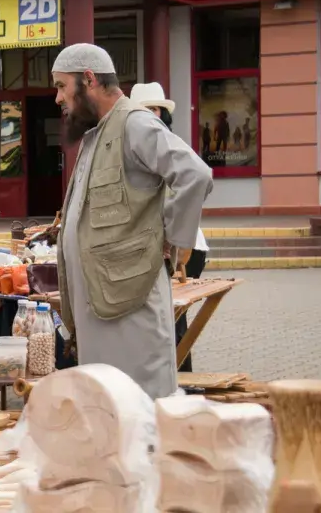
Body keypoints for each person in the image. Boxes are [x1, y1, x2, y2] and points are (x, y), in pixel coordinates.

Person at [52, 44, 213, 400]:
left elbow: (195, 175)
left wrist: (173, 237)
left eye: (62, 86)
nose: (58, 98)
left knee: (143, 414)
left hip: (131, 311)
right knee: (109, 416)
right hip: (102, 310)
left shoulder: (135, 123)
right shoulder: (97, 132)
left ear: (88, 79)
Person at [129, 82, 211, 373]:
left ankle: (179, 382)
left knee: (170, 319)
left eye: (156, 109)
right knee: (168, 319)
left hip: (183, 245)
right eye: (146, 109)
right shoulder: (143, 142)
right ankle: (179, 380)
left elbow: (196, 180)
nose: (152, 115)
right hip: (170, 243)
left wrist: (172, 239)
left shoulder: (160, 143)